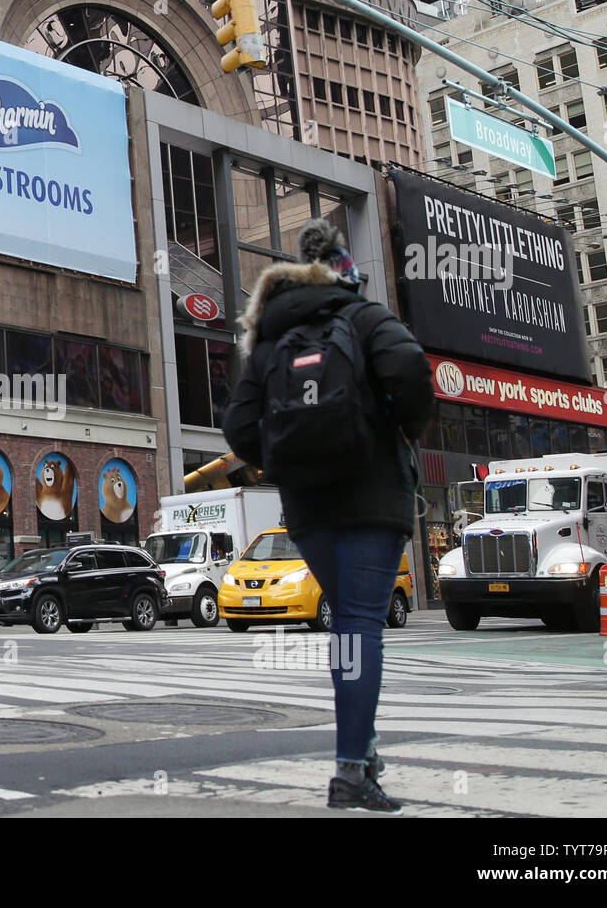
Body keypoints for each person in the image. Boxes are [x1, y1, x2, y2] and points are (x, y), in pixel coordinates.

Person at [224, 217, 432, 814]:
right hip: (372, 495)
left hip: (308, 508)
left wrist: (284, 459)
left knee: (348, 624)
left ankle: (361, 758)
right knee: (360, 626)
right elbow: (413, 373)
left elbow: (238, 428)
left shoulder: (268, 342)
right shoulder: (365, 319)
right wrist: (394, 430)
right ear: (347, 276)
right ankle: (350, 771)